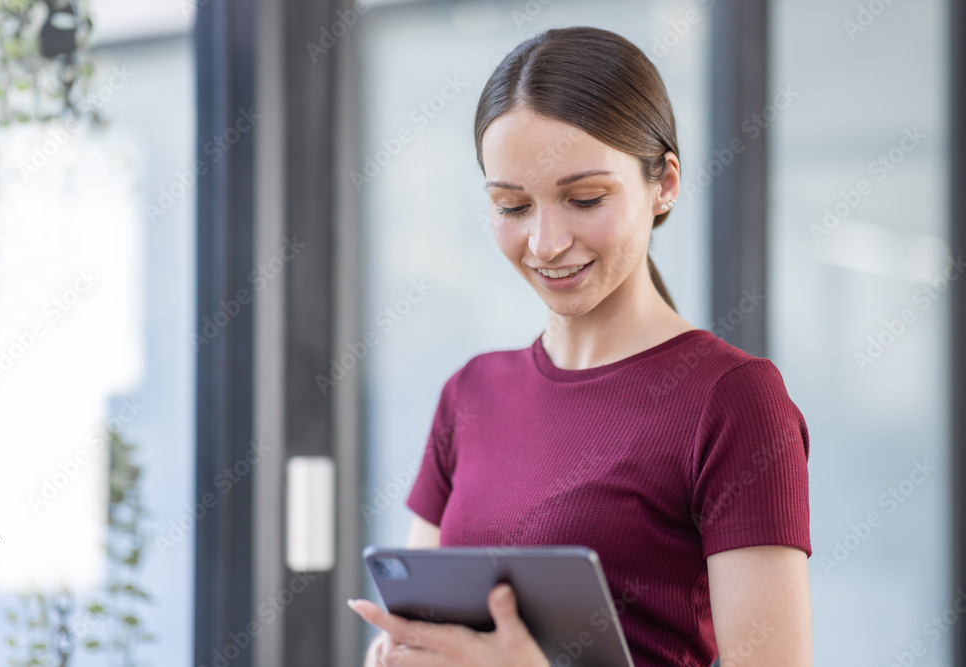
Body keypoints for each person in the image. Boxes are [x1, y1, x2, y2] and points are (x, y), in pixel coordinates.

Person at [348, 25, 812, 667]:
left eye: (584, 198)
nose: (544, 243)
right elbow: (423, 625)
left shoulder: (732, 400)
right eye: (512, 207)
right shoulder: (470, 394)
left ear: (665, 184)